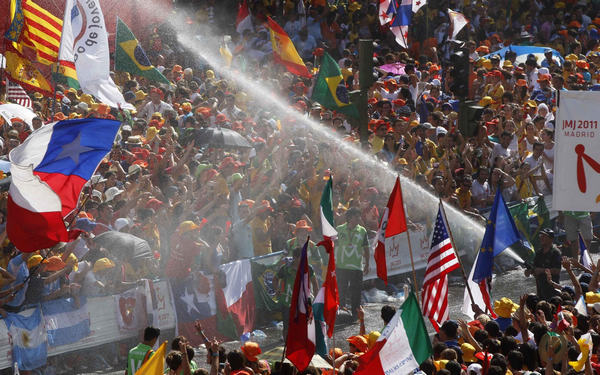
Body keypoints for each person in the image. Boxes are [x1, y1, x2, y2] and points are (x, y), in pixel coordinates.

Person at [335, 207, 369, 319]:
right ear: (349, 218)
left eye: (359, 216)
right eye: (356, 216)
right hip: (341, 266)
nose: (359, 218)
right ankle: (340, 311)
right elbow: (333, 246)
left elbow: (366, 248)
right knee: (341, 290)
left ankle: (355, 313)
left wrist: (367, 264)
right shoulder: (339, 229)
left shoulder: (362, 230)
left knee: (356, 292)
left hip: (356, 266)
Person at [525, 228, 561, 301]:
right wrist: (529, 271)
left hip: (552, 289)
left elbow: (557, 270)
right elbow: (535, 269)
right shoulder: (539, 253)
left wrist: (542, 270)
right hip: (540, 289)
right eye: (541, 236)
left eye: (544, 236)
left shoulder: (555, 252)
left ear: (551, 239)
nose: (541, 238)